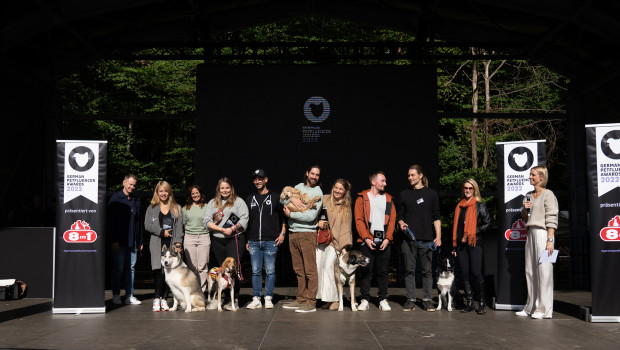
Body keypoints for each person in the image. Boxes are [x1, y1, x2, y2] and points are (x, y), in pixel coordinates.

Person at [397, 164, 442, 312]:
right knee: (409, 271)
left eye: (413, 175)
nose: (410, 178)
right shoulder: (404, 194)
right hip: (408, 239)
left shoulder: (431, 194)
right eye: (408, 175)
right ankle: (410, 300)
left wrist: (438, 236)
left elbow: (436, 216)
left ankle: (427, 300)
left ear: (420, 176)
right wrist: (401, 223)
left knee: (427, 271)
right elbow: (400, 215)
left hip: (427, 240)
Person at [516, 166, 559, 319]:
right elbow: (526, 219)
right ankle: (530, 307)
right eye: (530, 175)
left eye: (533, 175)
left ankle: (544, 310)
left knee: (544, 272)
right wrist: (524, 210)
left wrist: (550, 240)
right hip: (531, 234)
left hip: (544, 234)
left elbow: (552, 218)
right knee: (530, 271)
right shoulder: (528, 196)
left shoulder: (548, 194)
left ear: (541, 177)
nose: (530, 177)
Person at [280, 165, 323, 313]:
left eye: (317, 175)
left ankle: (311, 302)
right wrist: (291, 197)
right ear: (307, 173)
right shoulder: (298, 186)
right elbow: (283, 202)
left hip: (307, 234)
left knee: (310, 270)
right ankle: (301, 298)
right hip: (293, 233)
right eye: (312, 173)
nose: (314, 177)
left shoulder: (318, 192)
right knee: (298, 269)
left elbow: (311, 217)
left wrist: (292, 215)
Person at [202, 177, 249, 308]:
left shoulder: (238, 202)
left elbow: (245, 218)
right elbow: (206, 221)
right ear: (219, 189)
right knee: (222, 270)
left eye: (227, 187)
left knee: (233, 268)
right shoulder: (212, 203)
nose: (225, 190)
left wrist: (232, 228)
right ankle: (223, 298)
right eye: (222, 188)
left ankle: (234, 300)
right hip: (218, 240)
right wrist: (221, 229)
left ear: (231, 188)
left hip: (235, 239)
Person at [354, 171, 396, 312]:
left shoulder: (389, 199)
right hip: (367, 241)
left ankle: (383, 299)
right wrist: (366, 238)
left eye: (385, 181)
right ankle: (365, 299)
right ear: (373, 182)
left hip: (384, 241)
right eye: (382, 181)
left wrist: (388, 238)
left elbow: (392, 221)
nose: (385, 183)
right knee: (366, 271)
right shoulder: (362, 198)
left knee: (383, 272)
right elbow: (358, 220)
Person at [245, 169, 286, 310]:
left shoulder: (275, 197)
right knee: (255, 270)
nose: (257, 181)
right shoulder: (250, 198)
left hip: (271, 240)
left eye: (260, 179)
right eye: (255, 179)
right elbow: (248, 221)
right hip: (254, 240)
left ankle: (268, 297)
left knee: (270, 270)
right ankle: (256, 298)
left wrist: (282, 234)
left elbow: (284, 218)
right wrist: (248, 239)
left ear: (266, 180)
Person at [451, 178, 491, 314]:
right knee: (465, 273)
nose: (467, 190)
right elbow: (456, 228)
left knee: (476, 272)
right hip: (461, 245)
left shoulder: (480, 205)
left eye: (470, 188)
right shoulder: (459, 206)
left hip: (475, 243)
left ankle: (481, 303)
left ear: (474, 190)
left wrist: (473, 232)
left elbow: (487, 223)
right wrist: (454, 247)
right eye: (465, 188)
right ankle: (469, 303)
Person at [145, 180, 184, 312]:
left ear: (169, 192)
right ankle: (156, 299)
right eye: (160, 191)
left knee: (170, 272)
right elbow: (147, 225)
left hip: (171, 244)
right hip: (157, 243)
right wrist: (162, 232)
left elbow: (179, 228)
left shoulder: (177, 208)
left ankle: (164, 299)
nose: (163, 193)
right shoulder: (151, 207)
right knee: (158, 272)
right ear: (157, 192)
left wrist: (178, 243)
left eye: (165, 191)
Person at [316, 178, 353, 311]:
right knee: (318, 268)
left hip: (334, 243)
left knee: (328, 268)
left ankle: (335, 300)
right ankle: (324, 298)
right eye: (335, 187)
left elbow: (346, 228)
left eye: (340, 189)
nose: (337, 191)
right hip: (321, 239)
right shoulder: (324, 199)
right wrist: (317, 223)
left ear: (345, 191)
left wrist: (343, 248)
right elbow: (312, 212)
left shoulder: (346, 207)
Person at [107, 174, 143, 305]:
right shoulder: (115, 199)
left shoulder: (136, 200)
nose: (132, 187)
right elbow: (111, 223)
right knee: (119, 268)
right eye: (130, 184)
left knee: (131, 268)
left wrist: (140, 241)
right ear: (124, 183)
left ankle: (129, 295)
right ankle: (116, 295)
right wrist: (114, 240)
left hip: (132, 241)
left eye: (134, 185)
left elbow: (138, 224)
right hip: (119, 241)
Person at [182, 185, 210, 292]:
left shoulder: (207, 207)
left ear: (200, 194)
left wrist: (205, 231)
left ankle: (202, 291)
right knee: (192, 267)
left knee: (202, 266)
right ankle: (193, 290)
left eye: (197, 193)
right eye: (193, 193)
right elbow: (184, 225)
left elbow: (211, 222)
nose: (195, 195)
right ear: (190, 195)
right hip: (189, 237)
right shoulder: (185, 208)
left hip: (204, 237)